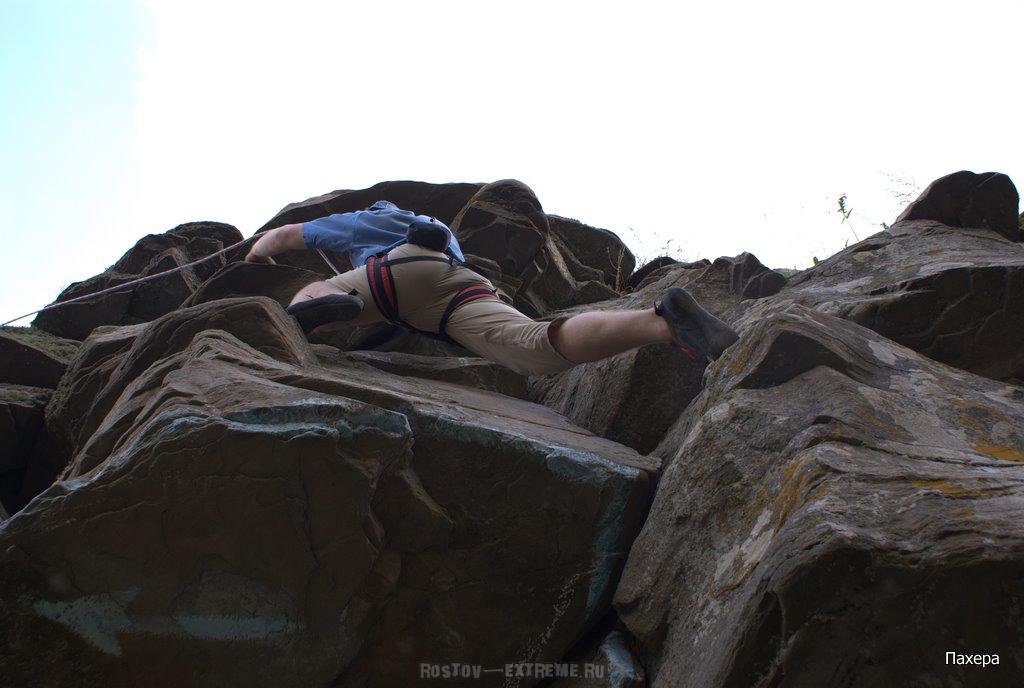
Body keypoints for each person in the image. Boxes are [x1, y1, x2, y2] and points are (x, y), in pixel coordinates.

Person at [245, 200, 738, 376]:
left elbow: (284, 236)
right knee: (534, 346)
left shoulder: (365, 220)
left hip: (394, 273)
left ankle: (311, 310)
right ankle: (661, 322)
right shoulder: (434, 223)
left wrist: (257, 256)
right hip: (461, 282)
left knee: (324, 289)